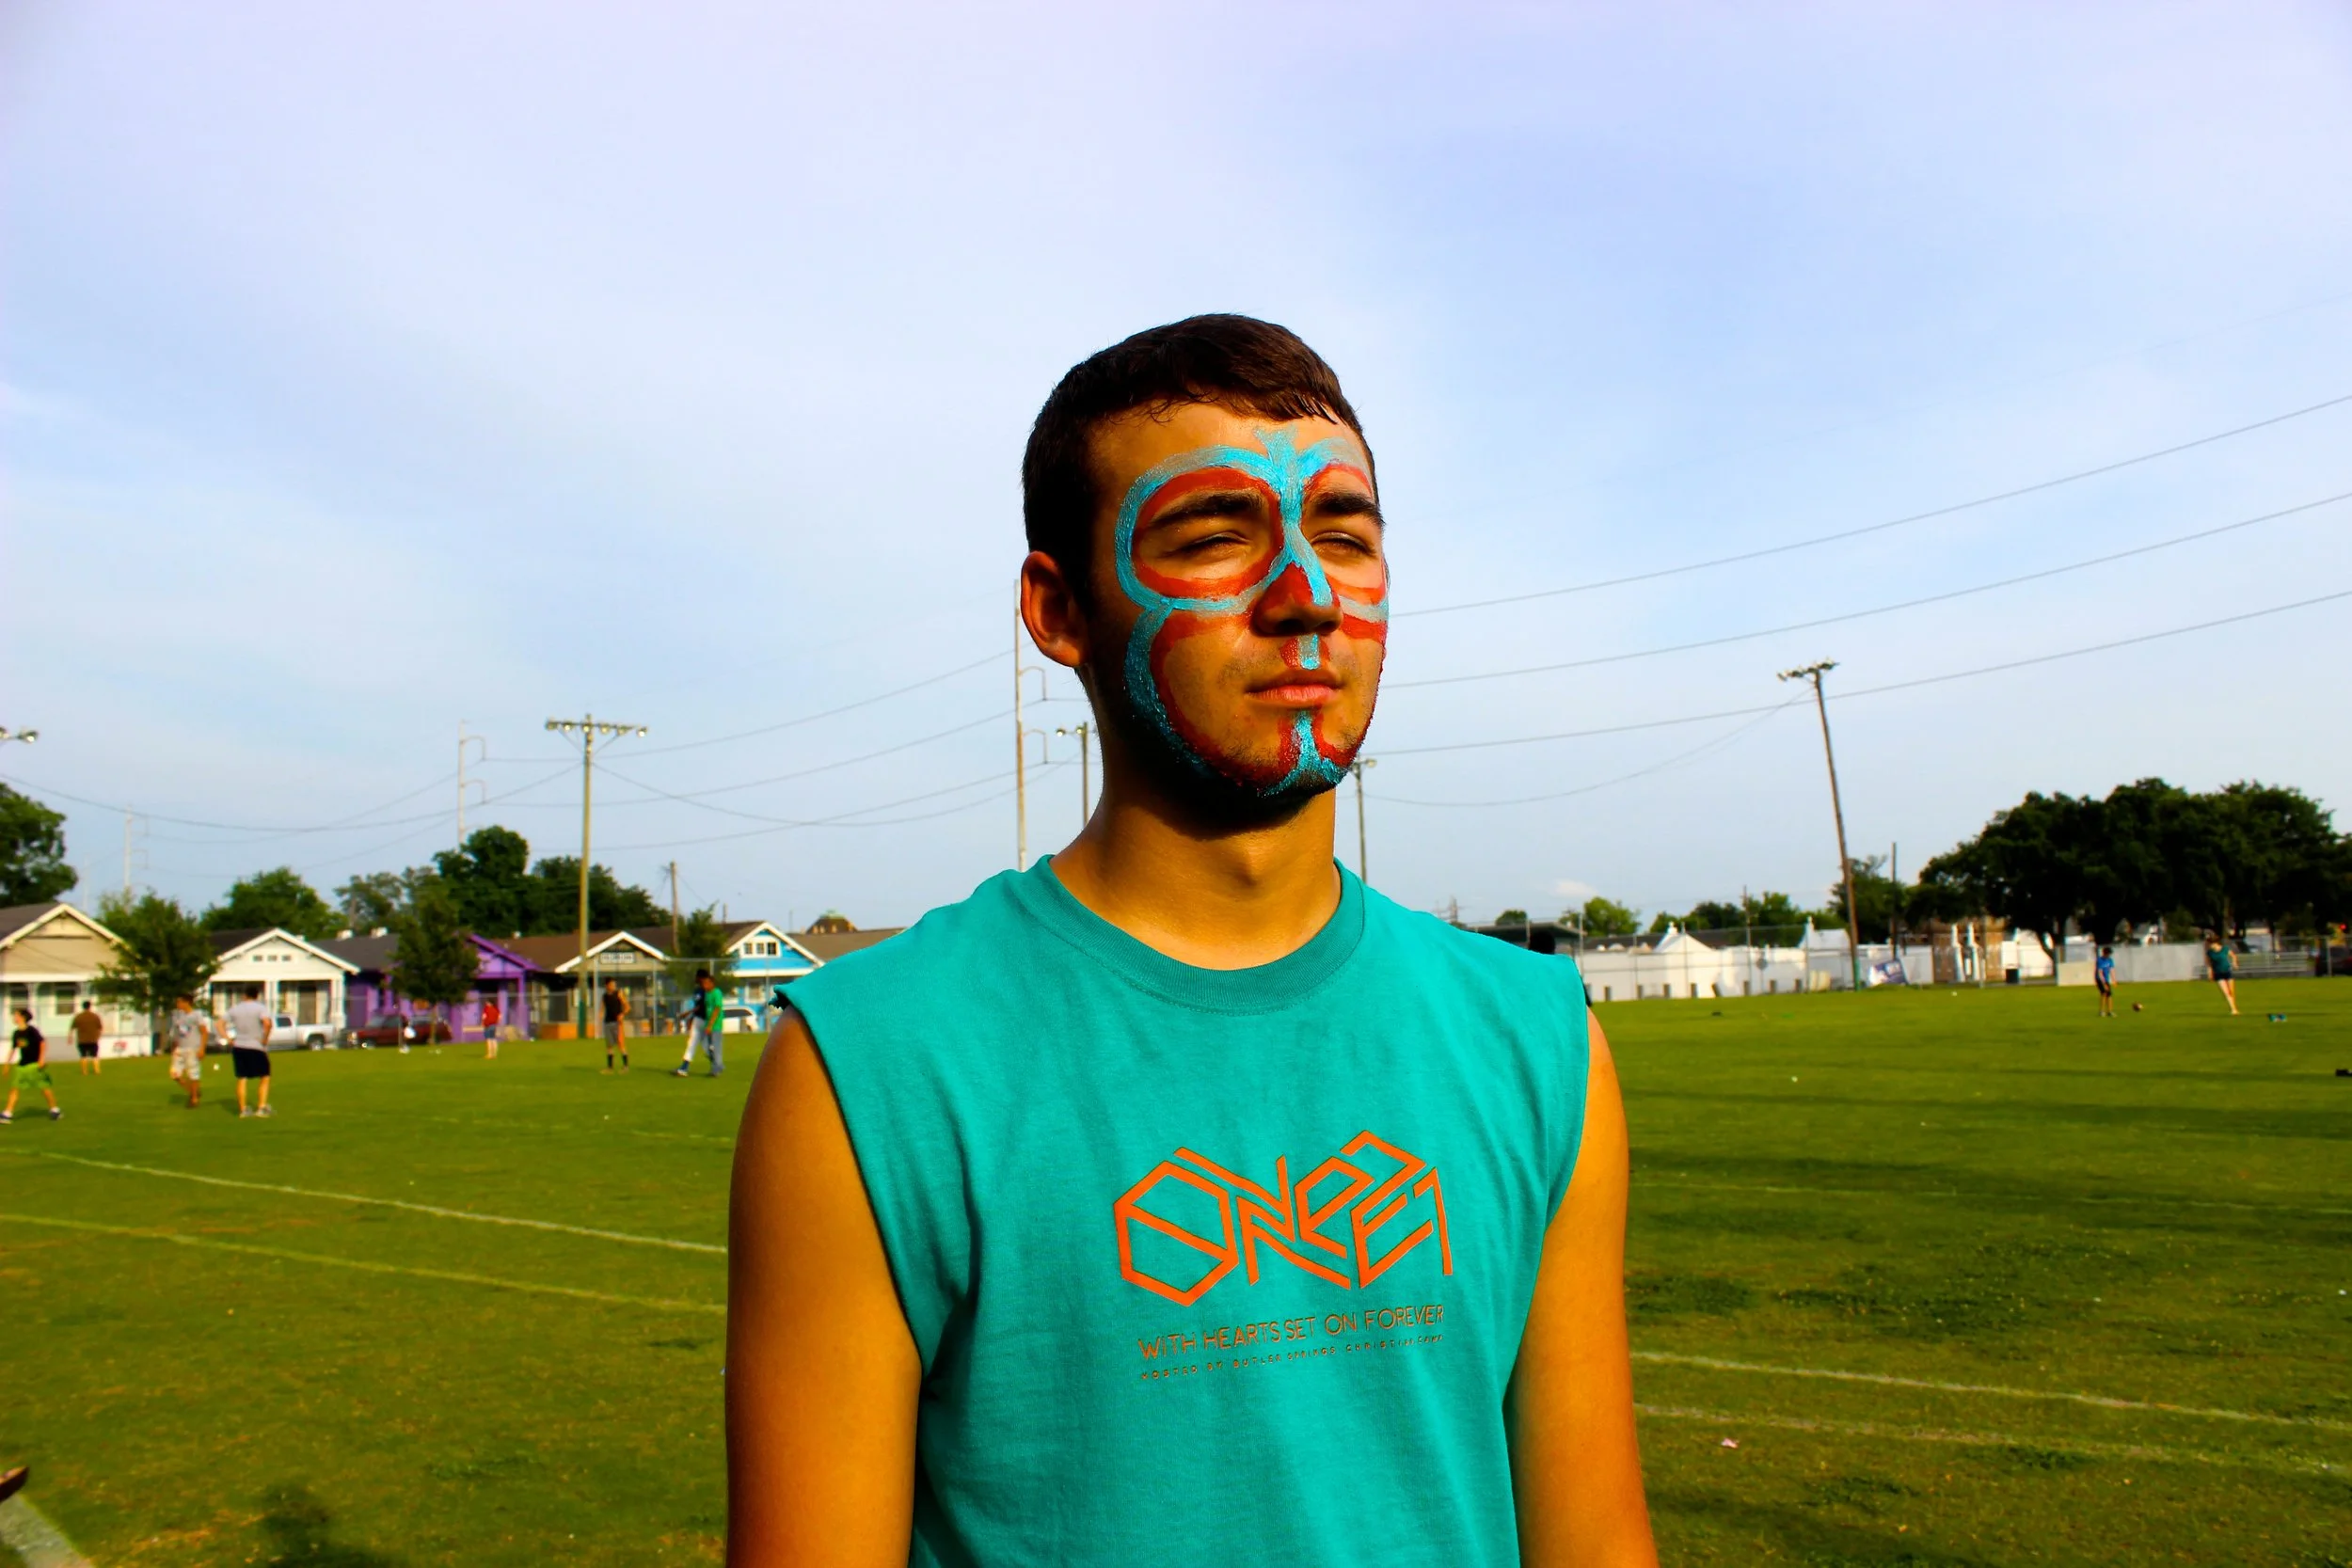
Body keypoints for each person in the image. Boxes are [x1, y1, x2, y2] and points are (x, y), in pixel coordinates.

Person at [728, 316, 1656, 1566]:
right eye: (1215, 536)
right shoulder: (874, 1061)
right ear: (1060, 609)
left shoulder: (1539, 1039)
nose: (1305, 595)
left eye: (1344, 533)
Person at [4, 1006, 62, 1123]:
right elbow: (13, 1048)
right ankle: (7, 1113)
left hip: (34, 1065)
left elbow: (42, 1043)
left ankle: (54, 1109)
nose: (14, 1017)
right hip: (22, 1066)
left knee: (44, 1088)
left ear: (23, 1017)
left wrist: (41, 1059)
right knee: (14, 1089)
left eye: (16, 1015)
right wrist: (7, 1063)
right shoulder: (16, 1033)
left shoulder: (31, 1031)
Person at [226, 984, 275, 1117]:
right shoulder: (260, 1008)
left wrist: (228, 1039)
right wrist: (265, 1038)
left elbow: (219, 1023)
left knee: (242, 1078)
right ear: (257, 995)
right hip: (256, 1046)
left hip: (239, 1046)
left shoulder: (235, 1009)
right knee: (265, 1076)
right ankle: (261, 1107)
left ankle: (243, 1109)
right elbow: (267, 1023)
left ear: (244, 995)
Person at [674, 971, 724, 1077]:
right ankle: (684, 1066)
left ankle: (717, 1065)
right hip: (699, 1020)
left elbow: (713, 1007)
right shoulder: (699, 990)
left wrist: (710, 1024)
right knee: (692, 1042)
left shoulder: (710, 992)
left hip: (706, 1021)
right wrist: (690, 1015)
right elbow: (699, 1006)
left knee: (707, 1047)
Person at [167, 994, 208, 1108]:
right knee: (175, 1074)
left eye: (180, 1002)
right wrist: (174, 1048)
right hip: (180, 1048)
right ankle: (192, 1091)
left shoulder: (196, 1015)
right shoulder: (177, 1016)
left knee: (193, 1074)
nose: (178, 1005)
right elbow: (176, 1034)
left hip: (192, 1048)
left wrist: (202, 1048)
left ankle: (194, 1099)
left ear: (187, 1002)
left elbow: (204, 1031)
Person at [2205, 932, 2239, 1016]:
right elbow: (2209, 964)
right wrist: (2210, 973)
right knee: (2225, 992)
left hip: (2227, 971)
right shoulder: (2209, 953)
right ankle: (2233, 1009)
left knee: (2231, 991)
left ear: (2215, 943)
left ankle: (2235, 1008)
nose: (2210, 946)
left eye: (2211, 944)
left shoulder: (2225, 949)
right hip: (2218, 973)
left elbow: (2233, 956)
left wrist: (2234, 963)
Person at [69, 998, 105, 1075]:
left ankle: (85, 1071)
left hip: (82, 1040)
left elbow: (72, 1028)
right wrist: (98, 1036)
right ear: (90, 1006)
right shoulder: (95, 1016)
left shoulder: (78, 1017)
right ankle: (97, 1070)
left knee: (83, 1056)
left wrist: (70, 1038)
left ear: (83, 1007)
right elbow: (101, 1028)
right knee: (95, 1055)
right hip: (93, 1040)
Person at [600, 979, 630, 1073]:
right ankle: (610, 1067)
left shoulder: (619, 994)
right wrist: (600, 1016)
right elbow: (602, 1008)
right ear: (607, 986)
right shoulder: (604, 996)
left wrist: (622, 1014)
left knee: (621, 1044)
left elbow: (627, 1007)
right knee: (609, 1045)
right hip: (607, 1022)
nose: (614, 986)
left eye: (614, 984)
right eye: (612, 985)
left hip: (617, 1023)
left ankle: (625, 1066)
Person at [2094, 944, 2116, 1018]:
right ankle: (2101, 1011)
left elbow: (2111, 970)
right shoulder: (2099, 960)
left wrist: (2113, 980)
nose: (2109, 955)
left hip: (2105, 979)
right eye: (2108, 953)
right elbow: (2099, 972)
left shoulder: (2110, 960)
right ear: (2104, 953)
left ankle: (2110, 1011)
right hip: (2099, 979)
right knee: (2104, 993)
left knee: (2109, 994)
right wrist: (2104, 984)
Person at [481, 995, 502, 1060]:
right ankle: (494, 1054)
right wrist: (496, 1022)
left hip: (487, 1025)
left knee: (488, 1040)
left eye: (487, 1002)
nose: (486, 1003)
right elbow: (500, 1016)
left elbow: (484, 1016)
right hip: (494, 1025)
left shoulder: (486, 1009)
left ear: (490, 1003)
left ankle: (489, 1054)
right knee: (493, 1039)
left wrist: (482, 1023)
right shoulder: (496, 1009)